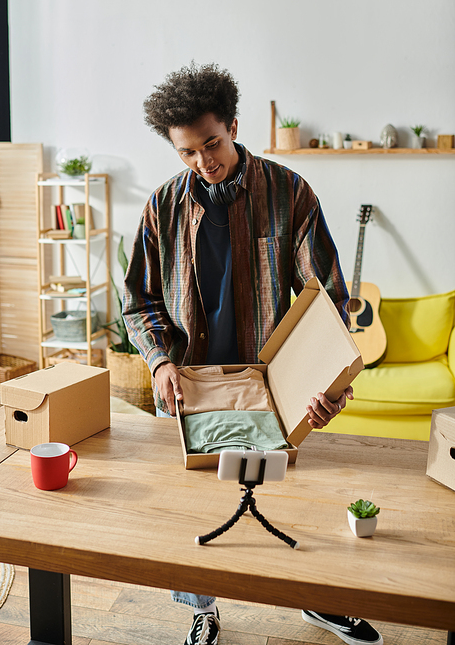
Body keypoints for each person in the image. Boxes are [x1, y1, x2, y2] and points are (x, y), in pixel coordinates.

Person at [123, 62, 383, 645]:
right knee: (201, 504)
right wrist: (161, 362)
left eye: (211, 143)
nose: (203, 162)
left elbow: (328, 301)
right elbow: (138, 301)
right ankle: (203, 607)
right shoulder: (160, 208)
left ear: (234, 125)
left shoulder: (290, 192)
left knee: (295, 493)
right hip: (191, 382)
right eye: (188, 152)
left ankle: (319, 597)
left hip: (276, 384)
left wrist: (330, 383)